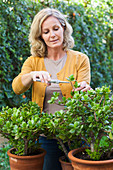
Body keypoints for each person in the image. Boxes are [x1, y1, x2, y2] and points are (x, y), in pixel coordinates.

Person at [12, 8, 91, 170]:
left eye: (55, 29)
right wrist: (32, 75)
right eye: (46, 32)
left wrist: (85, 90)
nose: (52, 35)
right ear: (40, 36)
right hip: (46, 136)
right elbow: (17, 87)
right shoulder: (33, 62)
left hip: (76, 132)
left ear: (63, 28)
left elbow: (85, 89)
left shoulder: (80, 59)